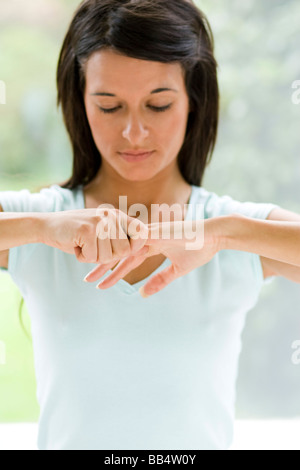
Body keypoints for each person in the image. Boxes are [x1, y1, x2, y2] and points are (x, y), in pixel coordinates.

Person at [0, 0, 300, 451]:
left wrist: (222, 234)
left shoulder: (233, 230)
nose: (134, 132)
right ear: (81, 103)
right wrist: (44, 228)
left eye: (158, 105)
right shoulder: (39, 222)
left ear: (193, 101)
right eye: (109, 106)